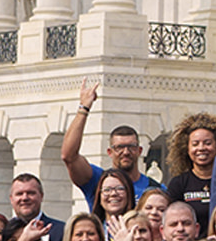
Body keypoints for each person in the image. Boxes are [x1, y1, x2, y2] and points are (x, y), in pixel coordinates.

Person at [60, 81, 161, 211]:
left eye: (131, 147)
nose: (126, 152)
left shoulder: (154, 189)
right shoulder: (98, 181)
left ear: (140, 150)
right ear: (110, 152)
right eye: (119, 147)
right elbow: (69, 156)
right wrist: (84, 108)